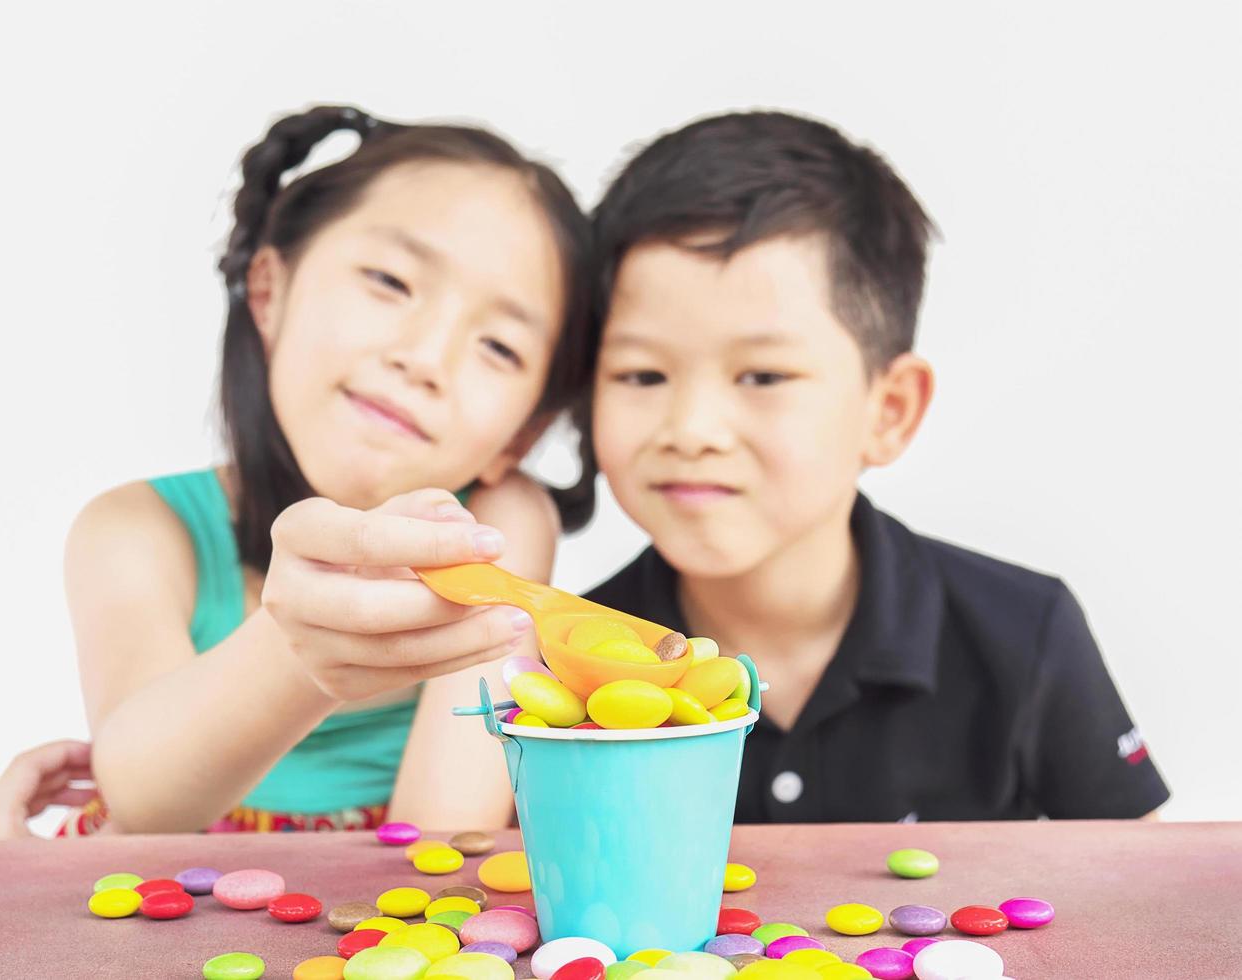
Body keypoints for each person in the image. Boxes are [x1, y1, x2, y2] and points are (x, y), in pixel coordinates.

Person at [581, 110, 1169, 821]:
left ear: (887, 411)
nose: (691, 430)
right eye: (643, 376)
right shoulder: (574, 657)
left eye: (762, 376)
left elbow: (1141, 892)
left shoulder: (1023, 630)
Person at [61, 104, 594, 833]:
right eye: (390, 281)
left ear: (520, 436)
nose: (425, 359)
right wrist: (300, 647)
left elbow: (442, 843)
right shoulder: (137, 531)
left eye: (499, 347)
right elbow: (145, 803)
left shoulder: (498, 528)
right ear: (269, 290)